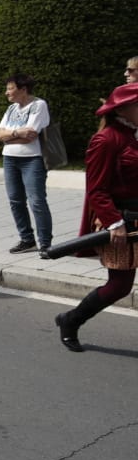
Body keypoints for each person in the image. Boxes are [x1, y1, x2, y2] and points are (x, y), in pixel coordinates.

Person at [55, 81, 138, 352]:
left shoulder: (135, 134)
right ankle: (71, 320)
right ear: (123, 110)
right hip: (121, 220)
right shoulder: (106, 140)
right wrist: (114, 222)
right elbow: (96, 189)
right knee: (119, 287)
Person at [0, 73, 53, 256]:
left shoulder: (38, 105)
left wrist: (8, 136)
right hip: (10, 160)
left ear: (23, 89)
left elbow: (30, 136)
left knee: (37, 201)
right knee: (15, 201)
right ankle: (27, 240)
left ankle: (45, 243)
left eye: (10, 88)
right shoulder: (12, 109)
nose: (7, 92)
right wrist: (17, 133)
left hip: (32, 160)